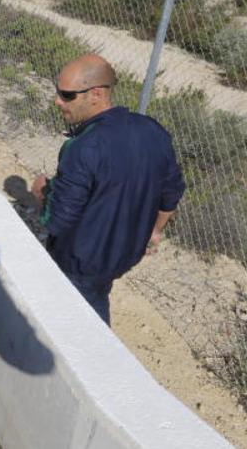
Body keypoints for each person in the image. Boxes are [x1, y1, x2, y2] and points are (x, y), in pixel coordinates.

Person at [31, 54, 185, 325]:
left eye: (66, 95)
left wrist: (42, 193)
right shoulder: (152, 131)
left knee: (83, 319)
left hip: (82, 261)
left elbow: (57, 221)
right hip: (126, 254)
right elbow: (171, 193)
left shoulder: (82, 147)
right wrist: (156, 230)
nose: (57, 101)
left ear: (96, 94)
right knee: (96, 293)